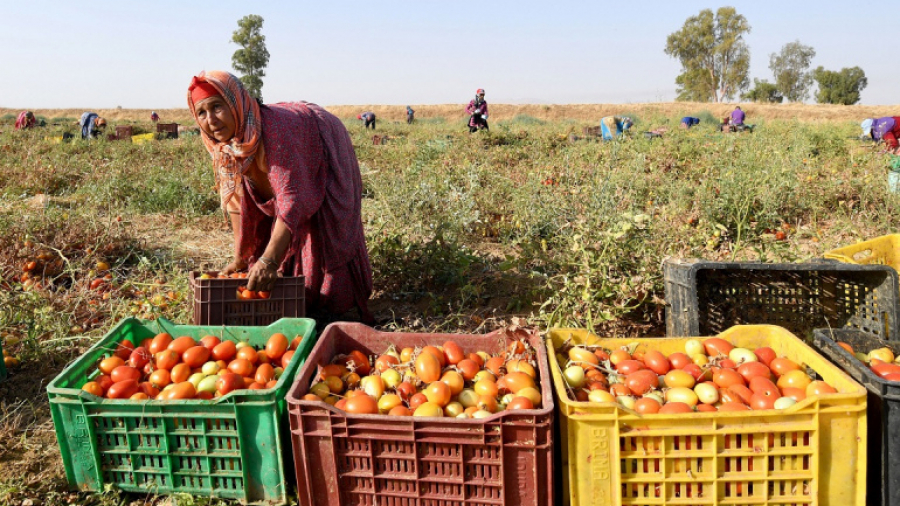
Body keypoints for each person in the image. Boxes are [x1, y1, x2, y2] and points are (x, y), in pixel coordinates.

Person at [187, 70, 373, 321]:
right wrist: (241, 258)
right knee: (273, 245)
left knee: (324, 228)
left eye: (217, 107)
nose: (210, 120)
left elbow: (292, 199)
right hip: (292, 156)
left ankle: (336, 307)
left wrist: (269, 261)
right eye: (201, 112)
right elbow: (237, 201)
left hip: (323, 141)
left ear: (236, 103)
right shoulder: (221, 145)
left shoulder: (275, 132)